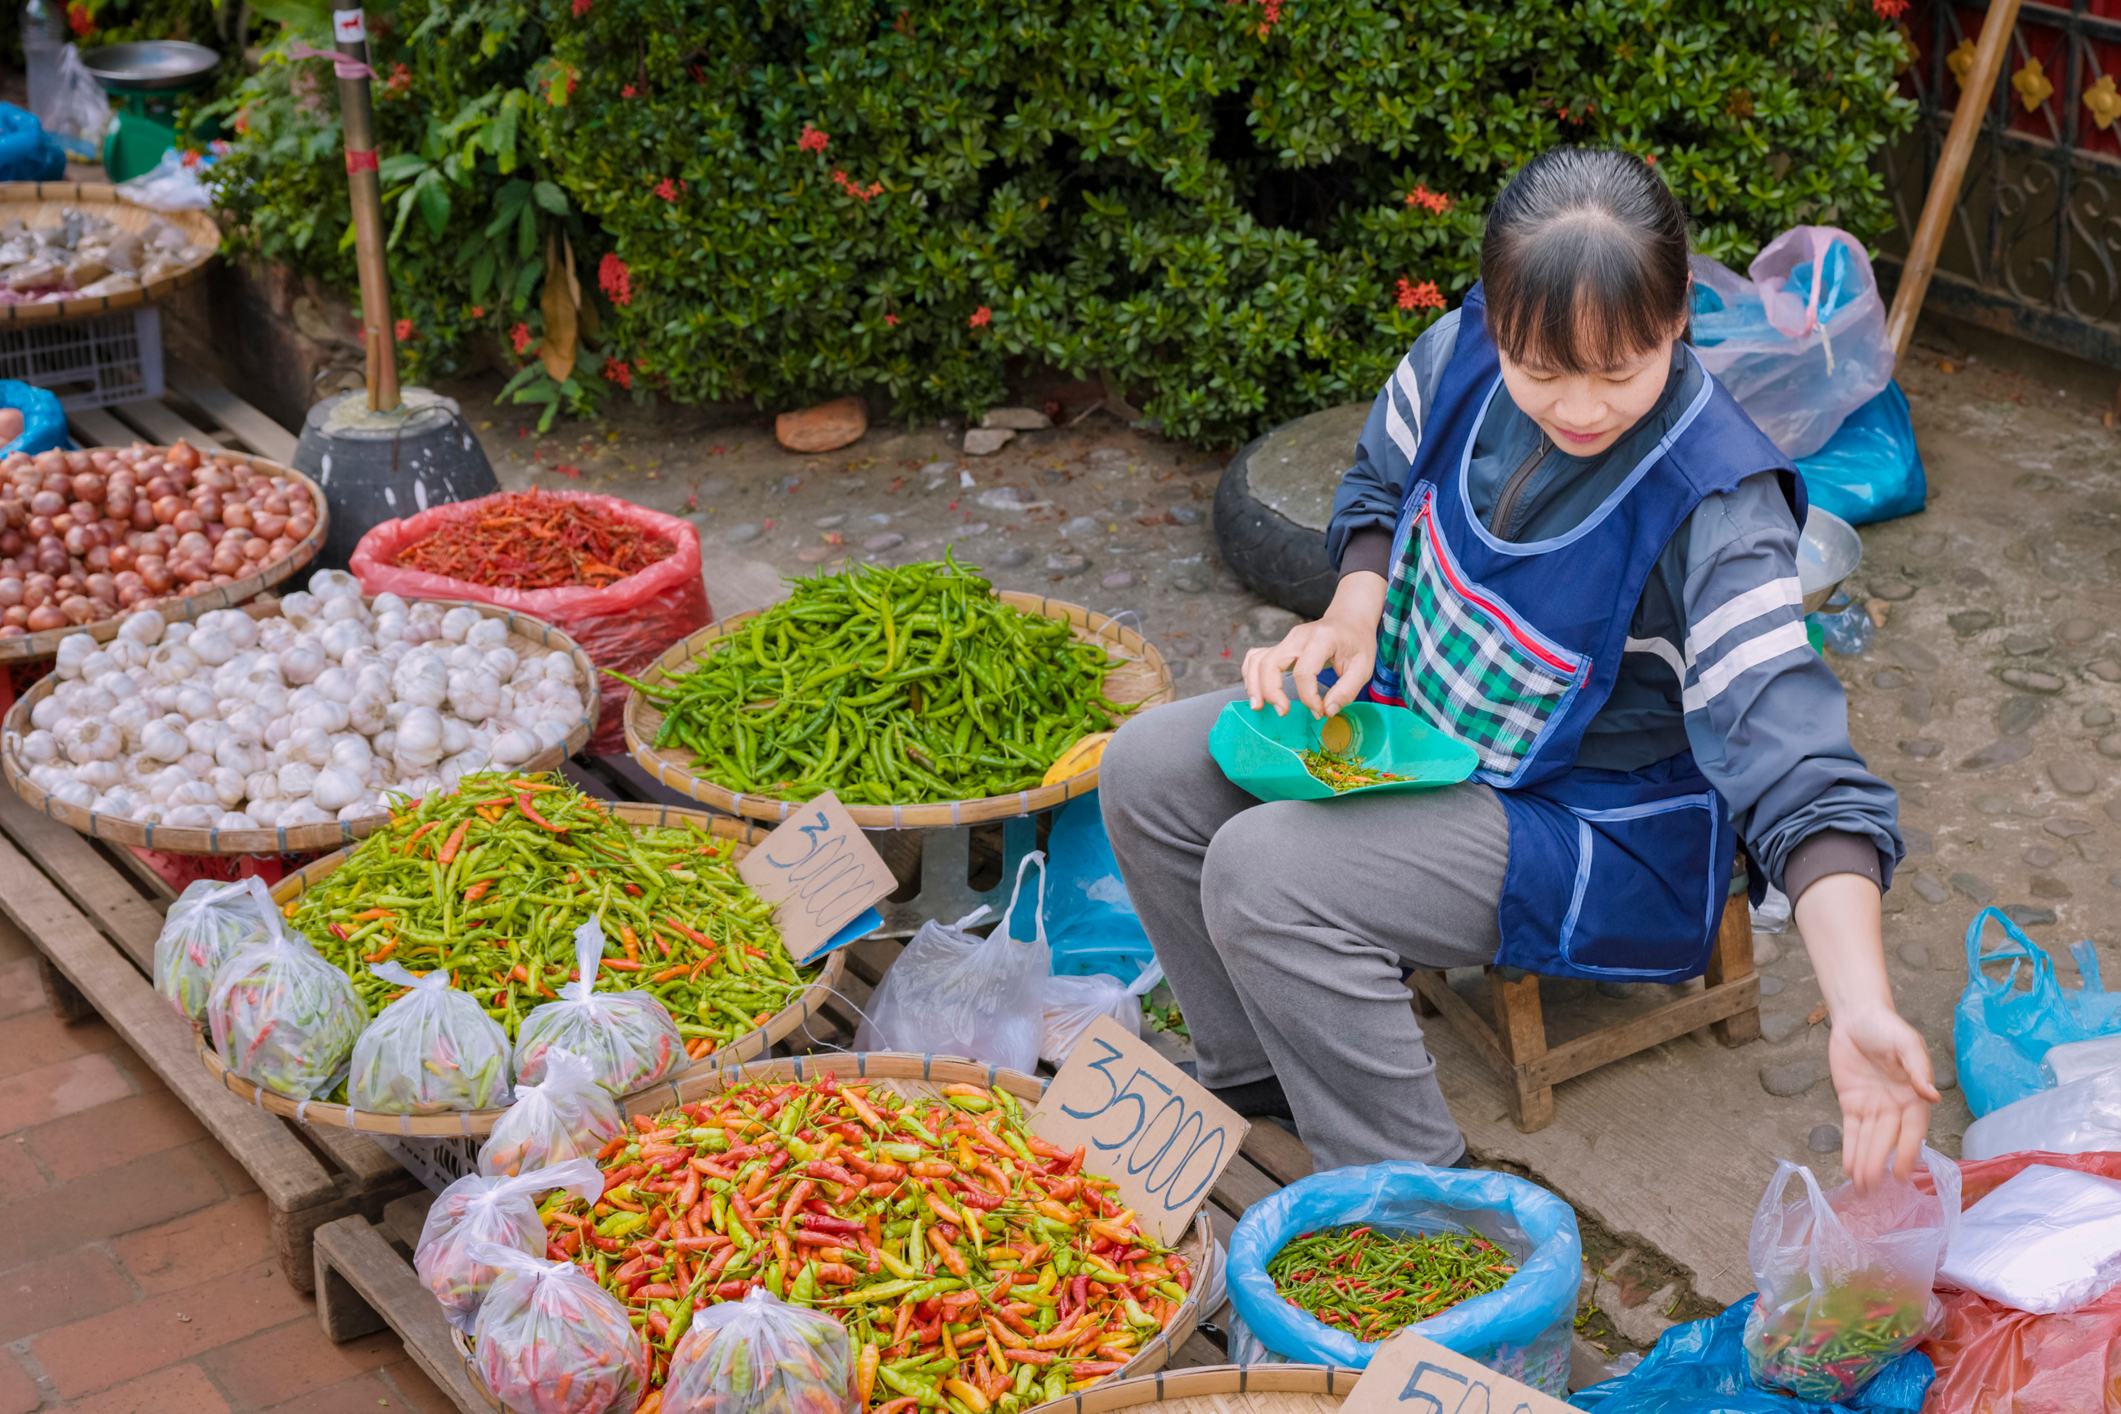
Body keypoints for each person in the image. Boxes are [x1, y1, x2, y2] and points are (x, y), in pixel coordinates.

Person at [1101, 147, 1934, 1193]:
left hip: (1593, 819)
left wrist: (1858, 1001)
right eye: (1542, 370)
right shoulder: (1459, 353)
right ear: (1499, 317)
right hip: (1430, 718)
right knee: (1147, 767)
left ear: (1678, 319)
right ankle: (1261, 1079)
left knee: (1266, 872)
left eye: (1618, 370)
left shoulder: (1719, 501)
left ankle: (1423, 1212)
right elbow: (1377, 478)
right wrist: (1356, 610)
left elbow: (1796, 754)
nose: (1579, 408)